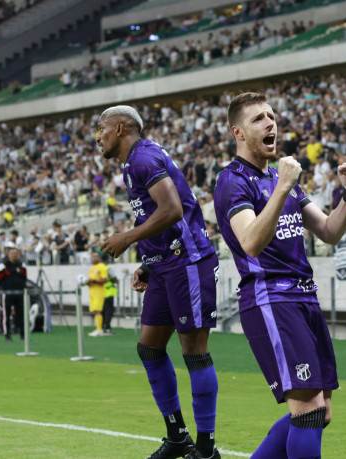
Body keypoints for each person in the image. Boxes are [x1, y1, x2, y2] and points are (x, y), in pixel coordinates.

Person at [214, 92, 346, 459]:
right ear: (238, 132)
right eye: (258, 119)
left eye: (272, 116)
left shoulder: (286, 182)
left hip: (304, 298)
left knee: (320, 413)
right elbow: (250, 241)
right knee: (308, 411)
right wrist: (282, 187)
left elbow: (328, 231)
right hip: (271, 299)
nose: (270, 123)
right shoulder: (232, 181)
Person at [97, 105, 220, 459]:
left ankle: (207, 449)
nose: (98, 137)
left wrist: (127, 238)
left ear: (121, 128)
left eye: (101, 129)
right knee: (149, 348)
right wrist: (149, 264)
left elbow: (172, 210)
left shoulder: (143, 159)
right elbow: (157, 215)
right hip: (164, 264)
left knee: (194, 352)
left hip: (188, 261)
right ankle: (178, 436)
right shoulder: (136, 160)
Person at [0, 246, 27, 341]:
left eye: (16, 253)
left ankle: (22, 334)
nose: (14, 255)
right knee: (6, 314)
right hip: (7, 293)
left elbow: (24, 277)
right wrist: (1, 289)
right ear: (8, 254)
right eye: (12, 253)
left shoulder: (21, 265)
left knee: (21, 314)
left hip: (19, 293)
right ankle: (7, 334)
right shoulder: (3, 265)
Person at [84, 250, 109, 337]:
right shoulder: (92, 268)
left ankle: (99, 330)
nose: (93, 258)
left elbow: (105, 279)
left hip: (99, 293)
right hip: (92, 293)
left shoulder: (101, 266)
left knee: (98, 311)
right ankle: (98, 328)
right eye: (93, 256)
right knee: (95, 311)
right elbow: (92, 280)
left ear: (99, 258)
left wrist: (93, 280)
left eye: (95, 256)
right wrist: (86, 282)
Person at [102, 252, 119, 335]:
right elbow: (115, 279)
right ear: (107, 260)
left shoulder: (98, 268)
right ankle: (107, 328)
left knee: (102, 310)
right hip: (108, 292)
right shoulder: (107, 268)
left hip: (100, 292)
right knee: (109, 311)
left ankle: (101, 327)